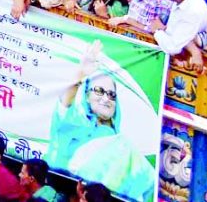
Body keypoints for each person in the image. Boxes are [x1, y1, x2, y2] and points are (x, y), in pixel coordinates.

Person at [43, 42, 155, 201]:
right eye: (99, 91)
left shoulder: (124, 147)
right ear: (87, 95)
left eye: (111, 94)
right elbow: (64, 104)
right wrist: (81, 73)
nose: (106, 98)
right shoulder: (75, 127)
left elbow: (144, 186)